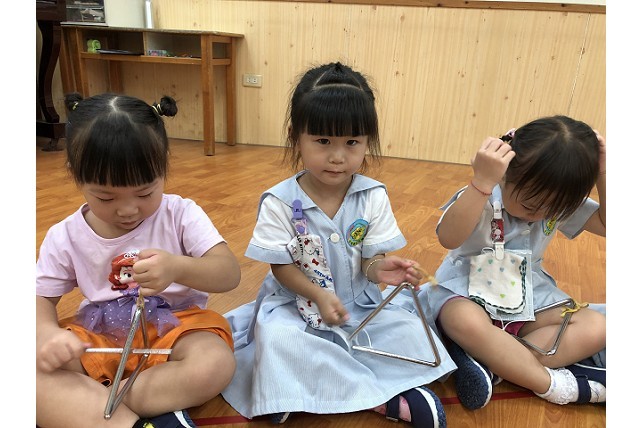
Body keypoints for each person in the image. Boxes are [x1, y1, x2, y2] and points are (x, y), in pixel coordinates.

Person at [221, 62, 456, 428]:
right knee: (278, 339)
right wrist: (317, 294)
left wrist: (381, 269)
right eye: (323, 142)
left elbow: (370, 260)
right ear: (295, 136)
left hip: (359, 305)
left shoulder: (372, 196)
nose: (337, 156)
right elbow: (281, 266)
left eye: (352, 143)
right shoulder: (279, 201)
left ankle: (295, 389)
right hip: (296, 306)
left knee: (410, 331)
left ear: (367, 141)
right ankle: (385, 399)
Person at [36, 93, 241, 428]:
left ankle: (100, 405)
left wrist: (177, 267)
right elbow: (40, 298)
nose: (128, 210)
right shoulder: (65, 235)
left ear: (163, 166)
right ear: (76, 175)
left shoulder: (180, 214)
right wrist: (45, 333)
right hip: (99, 335)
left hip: (178, 329)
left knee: (214, 364)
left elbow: (228, 273)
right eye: (106, 197)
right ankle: (136, 420)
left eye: (145, 193)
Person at [415, 115, 606, 410]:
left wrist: (603, 173)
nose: (540, 214)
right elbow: (448, 238)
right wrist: (480, 183)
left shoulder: (555, 199)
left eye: (553, 208)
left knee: (595, 326)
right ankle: (548, 383)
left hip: (528, 293)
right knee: (463, 320)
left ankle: (492, 362)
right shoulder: (483, 194)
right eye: (530, 205)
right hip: (468, 290)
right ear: (505, 173)